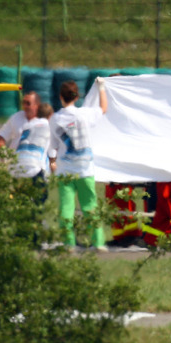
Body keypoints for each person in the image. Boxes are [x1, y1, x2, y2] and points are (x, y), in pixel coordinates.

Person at [49, 79, 108, 251]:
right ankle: (97, 242)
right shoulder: (85, 114)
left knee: (66, 208)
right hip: (85, 169)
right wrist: (102, 88)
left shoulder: (55, 119)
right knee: (90, 206)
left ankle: (69, 243)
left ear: (61, 97)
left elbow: (53, 146)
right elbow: (103, 108)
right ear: (77, 97)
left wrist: (52, 161)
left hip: (65, 171)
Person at [0, 92, 50, 197]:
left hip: (38, 165)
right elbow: (0, 138)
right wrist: (4, 151)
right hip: (17, 165)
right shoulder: (16, 118)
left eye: (28, 103)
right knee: (20, 199)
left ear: (37, 105)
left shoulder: (43, 122)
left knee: (39, 199)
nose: (25, 106)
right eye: (23, 103)